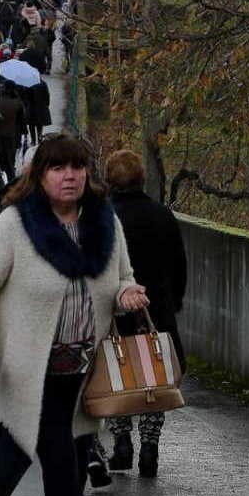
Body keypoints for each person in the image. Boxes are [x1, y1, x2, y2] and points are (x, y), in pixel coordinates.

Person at [0, 133, 148, 496]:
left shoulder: (105, 223)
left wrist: (127, 292)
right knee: (63, 467)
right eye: (58, 168)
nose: (70, 176)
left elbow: (123, 275)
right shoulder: (14, 227)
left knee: (75, 468)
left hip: (86, 371)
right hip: (31, 376)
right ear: (38, 175)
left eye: (78, 167)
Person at [102, 150, 188, 478]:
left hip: (116, 310)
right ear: (141, 178)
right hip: (156, 310)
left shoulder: (103, 217)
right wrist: (174, 300)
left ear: (110, 180)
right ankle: (150, 446)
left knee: (117, 373)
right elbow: (178, 264)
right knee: (155, 375)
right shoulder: (161, 215)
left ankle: (122, 441)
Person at [0, 82, 25, 180]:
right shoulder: (17, 103)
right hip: (12, 136)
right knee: (10, 163)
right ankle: (11, 184)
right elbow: (22, 122)